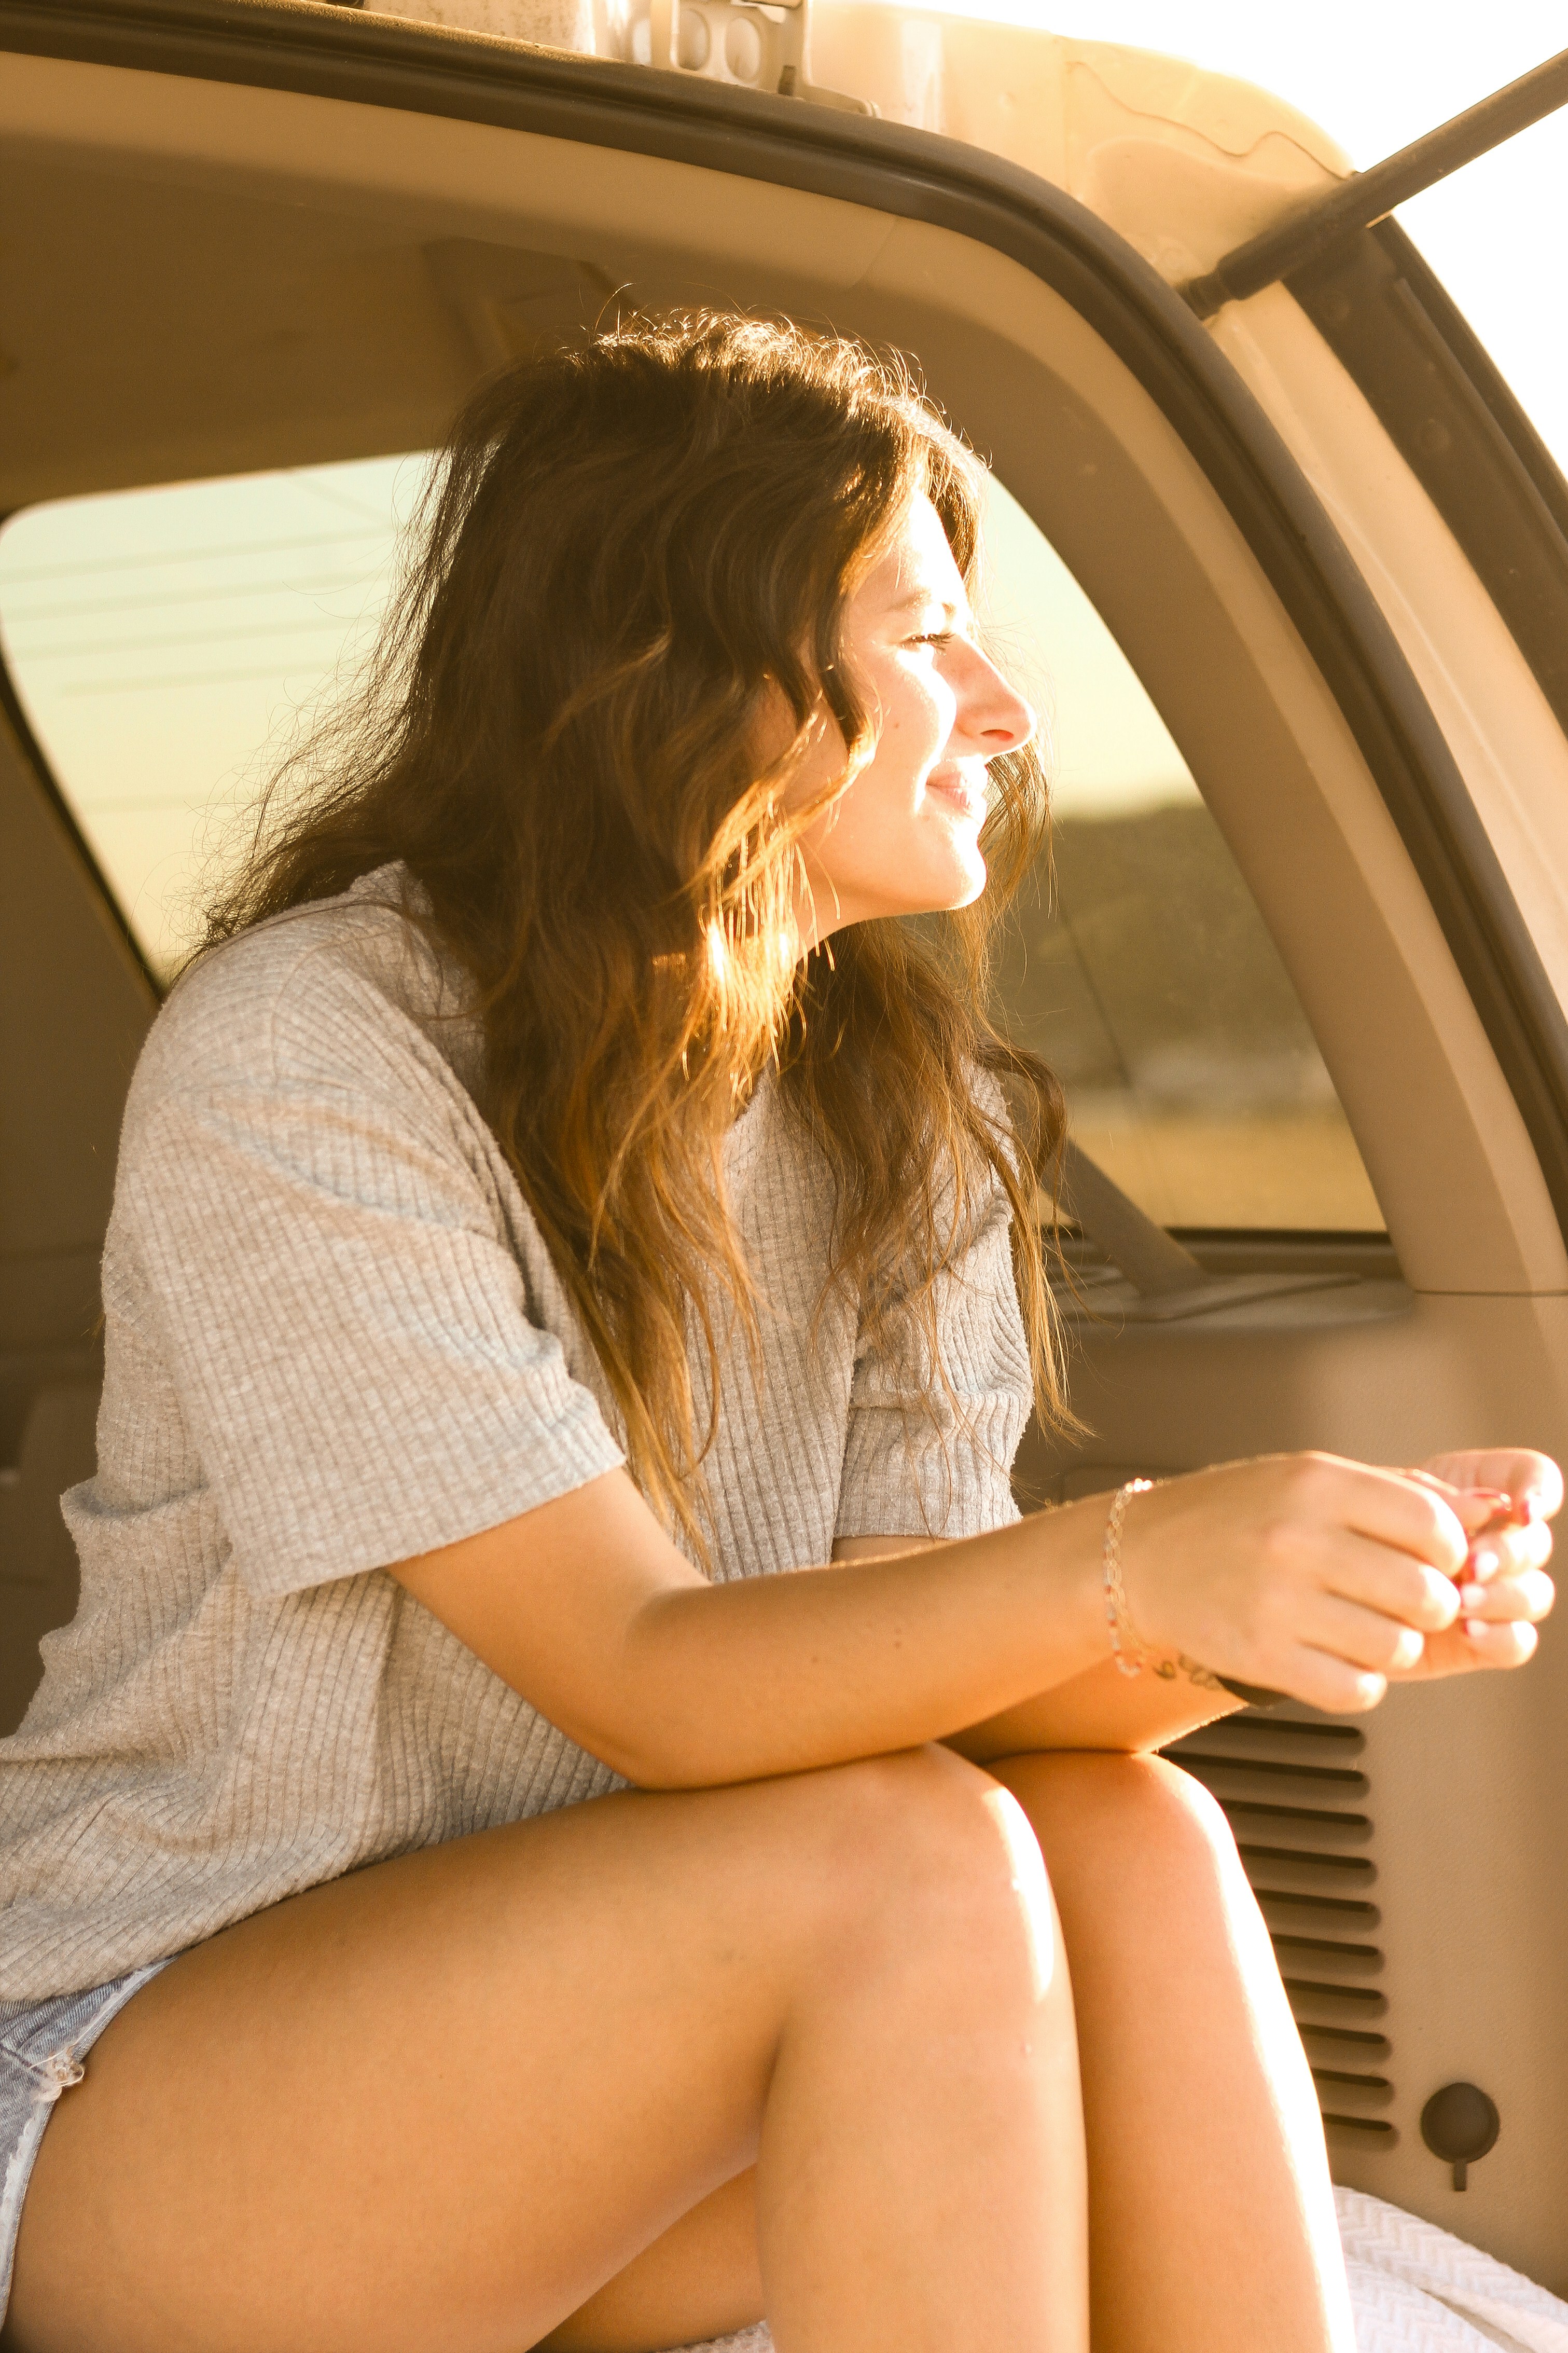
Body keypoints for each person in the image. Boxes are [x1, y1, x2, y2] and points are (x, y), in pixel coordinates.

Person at [0, 313, 1555, 2353]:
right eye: (924, 635)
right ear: (677, 673)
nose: (1003, 706)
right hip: (162, 2074)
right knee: (895, 1869)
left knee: (1129, 1828)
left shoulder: (914, 1112)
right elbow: (646, 1679)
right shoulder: (313, 1057)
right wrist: (1138, 1554)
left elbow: (921, 1658)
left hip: (630, 2072)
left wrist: (1241, 1618)